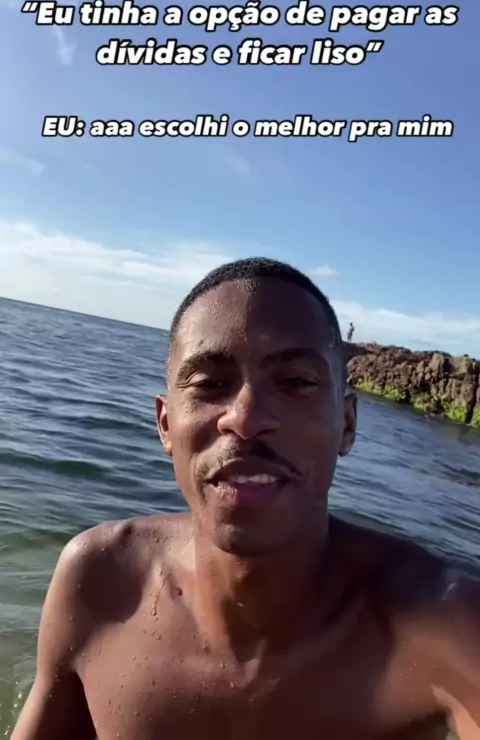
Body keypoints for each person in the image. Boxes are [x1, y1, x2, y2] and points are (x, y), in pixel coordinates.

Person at [11, 257, 480, 740]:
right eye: (210, 384)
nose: (246, 418)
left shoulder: (441, 623)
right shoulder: (100, 579)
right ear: (166, 424)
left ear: (347, 423)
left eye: (296, 383)